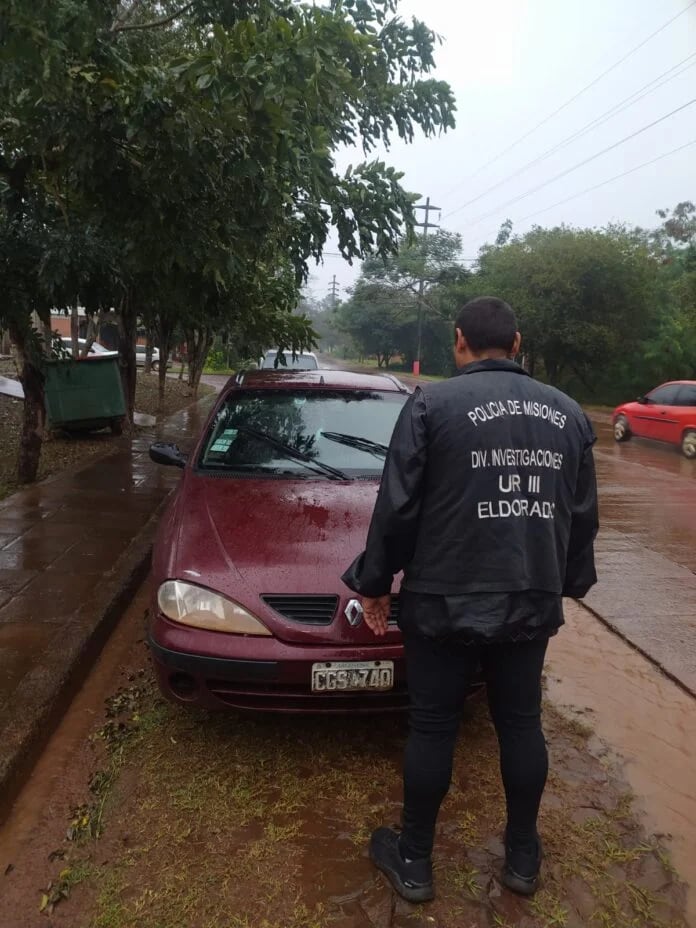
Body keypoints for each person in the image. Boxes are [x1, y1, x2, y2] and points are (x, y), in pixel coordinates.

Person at [342, 296, 598, 903]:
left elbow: (397, 506)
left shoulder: (430, 404)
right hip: (528, 597)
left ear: (459, 342)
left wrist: (375, 583)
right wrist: (566, 583)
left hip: (442, 600)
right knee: (521, 723)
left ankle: (415, 862)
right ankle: (523, 859)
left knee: (433, 726)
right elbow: (581, 517)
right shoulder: (569, 414)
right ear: (517, 344)